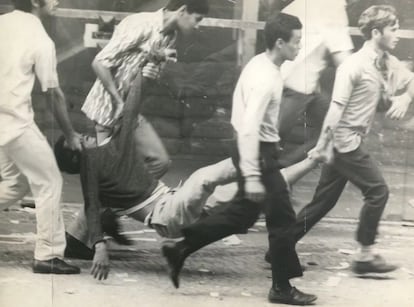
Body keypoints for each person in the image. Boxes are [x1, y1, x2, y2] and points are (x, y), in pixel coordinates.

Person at [56, 69, 326, 281]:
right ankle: (256, 158)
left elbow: (129, 114)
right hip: (166, 216)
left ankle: (312, 160)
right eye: (78, 139)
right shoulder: (91, 165)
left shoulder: (112, 148)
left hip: (175, 203)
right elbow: (92, 208)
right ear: (76, 156)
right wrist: (100, 246)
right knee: (205, 177)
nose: (84, 135)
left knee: (264, 184)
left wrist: (144, 77)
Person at [160, 13, 320, 306]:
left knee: (242, 215)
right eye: (297, 41)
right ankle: (282, 289)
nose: (301, 46)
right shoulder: (265, 77)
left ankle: (181, 246)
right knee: (283, 218)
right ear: (280, 42)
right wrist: (253, 172)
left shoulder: (262, 64)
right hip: (257, 151)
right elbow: (248, 128)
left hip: (255, 150)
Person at [295, 5, 414, 275]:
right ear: (376, 32)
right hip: (343, 141)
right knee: (378, 191)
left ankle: (280, 245)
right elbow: (335, 108)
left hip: (349, 141)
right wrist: (324, 145)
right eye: (392, 29)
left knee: (323, 202)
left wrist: (406, 97)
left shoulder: (385, 61)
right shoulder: (352, 66)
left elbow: (413, 80)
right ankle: (364, 255)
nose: (397, 34)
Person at [81, 0, 209, 179]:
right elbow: (100, 63)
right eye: (197, 19)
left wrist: (152, 74)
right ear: (182, 10)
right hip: (106, 112)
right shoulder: (141, 24)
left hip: (131, 111)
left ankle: (125, 201)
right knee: (105, 175)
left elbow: (146, 74)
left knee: (160, 162)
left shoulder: (170, 36)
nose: (197, 26)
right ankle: (113, 202)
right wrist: (118, 102)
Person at [0, 0, 83, 274]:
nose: (58, 1)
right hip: (15, 123)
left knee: (16, 184)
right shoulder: (39, 37)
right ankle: (47, 255)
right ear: (36, 1)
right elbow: (54, 94)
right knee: (50, 181)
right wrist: (71, 135)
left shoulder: (3, 23)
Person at [277, 0, 354, 168]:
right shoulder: (334, 6)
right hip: (293, 84)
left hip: (304, 84)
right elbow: (344, 59)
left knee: (335, 130)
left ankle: (281, 171)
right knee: (268, 146)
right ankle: (277, 172)